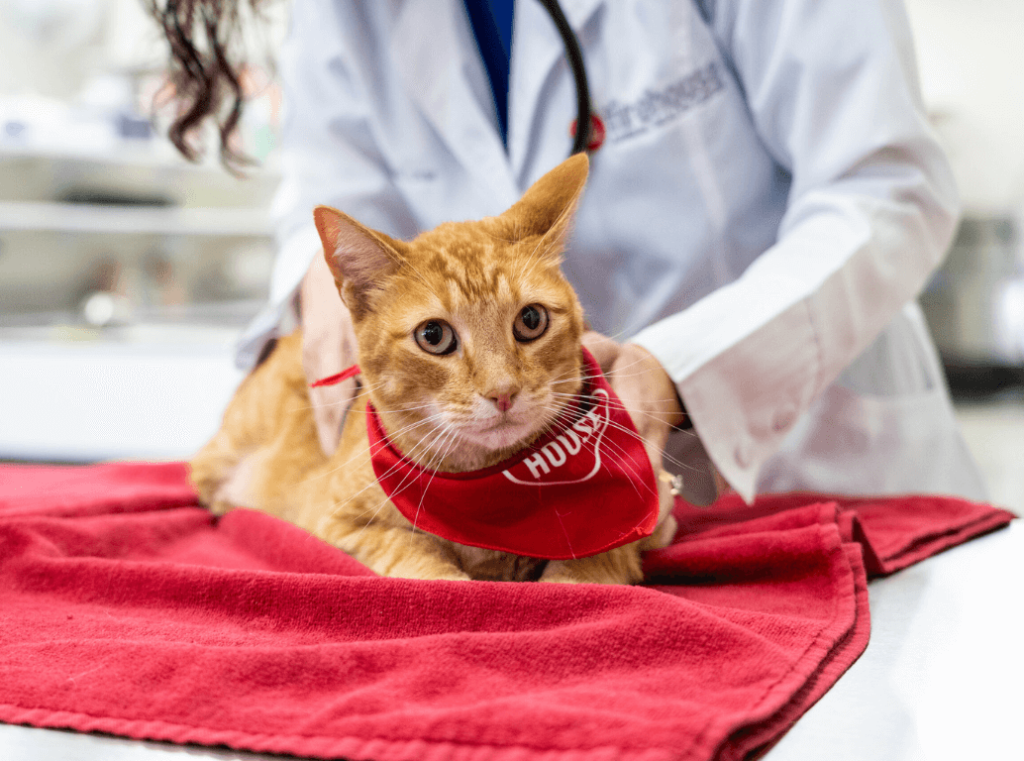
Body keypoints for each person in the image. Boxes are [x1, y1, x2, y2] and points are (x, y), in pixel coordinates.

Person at [149, 0, 986, 505]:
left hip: (808, 471)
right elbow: (330, 188)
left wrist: (682, 370)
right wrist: (327, 280)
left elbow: (885, 190)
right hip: (512, 504)